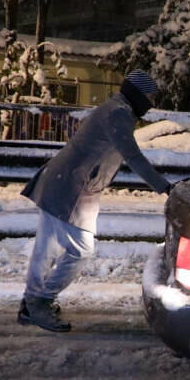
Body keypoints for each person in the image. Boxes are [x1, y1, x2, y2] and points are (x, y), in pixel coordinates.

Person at [18, 69, 172, 332]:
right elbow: (133, 157)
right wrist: (165, 187)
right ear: (137, 95)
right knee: (80, 250)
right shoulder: (118, 114)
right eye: (149, 97)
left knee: (47, 247)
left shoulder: (116, 109)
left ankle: (31, 303)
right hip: (71, 189)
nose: (152, 103)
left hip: (62, 182)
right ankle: (39, 302)